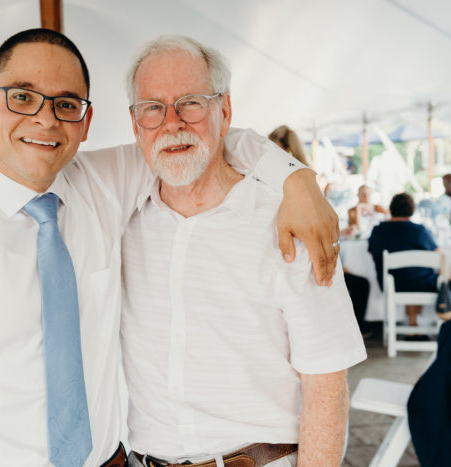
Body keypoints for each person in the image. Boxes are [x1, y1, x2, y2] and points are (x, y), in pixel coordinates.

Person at [0, 29, 339, 467]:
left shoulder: (102, 186)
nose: (45, 118)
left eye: (66, 104)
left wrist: (296, 179)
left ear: (86, 122)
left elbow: (199, 134)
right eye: (23, 97)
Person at [120, 36, 365, 467]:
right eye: (152, 108)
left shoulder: (287, 221)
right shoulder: (120, 218)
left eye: (191, 102)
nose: (172, 122)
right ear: (136, 123)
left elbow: (326, 384)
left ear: (224, 111)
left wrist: (297, 180)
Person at [368, 192, 439, 327]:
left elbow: (372, 253)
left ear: (392, 209)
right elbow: (438, 254)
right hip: (420, 284)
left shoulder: (378, 230)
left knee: (408, 276)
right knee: (422, 276)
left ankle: (413, 325)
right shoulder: (419, 231)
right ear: (412, 210)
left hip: (390, 284)